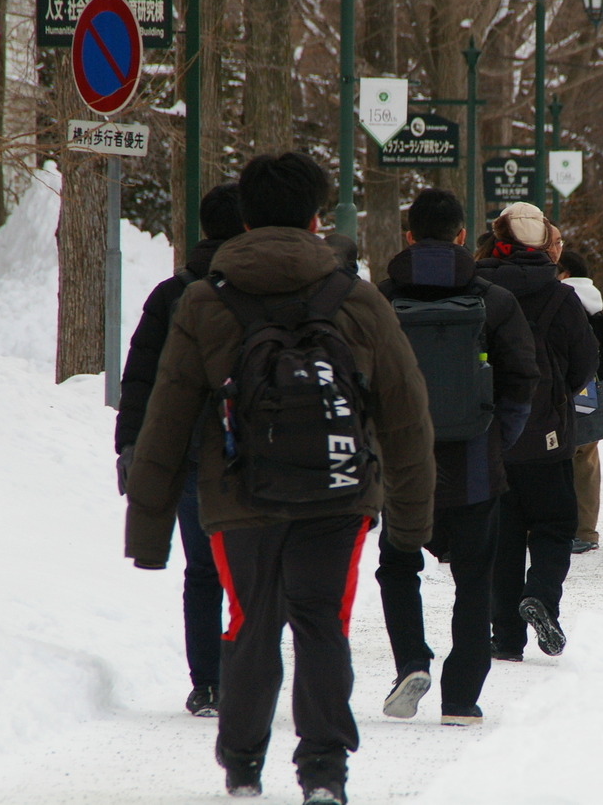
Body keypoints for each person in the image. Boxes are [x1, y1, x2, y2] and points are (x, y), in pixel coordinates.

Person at [124, 152, 437, 804]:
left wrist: (150, 529)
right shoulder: (358, 298)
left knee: (250, 620)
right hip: (342, 493)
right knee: (323, 621)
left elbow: (169, 415)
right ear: (316, 217)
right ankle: (324, 771)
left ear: (245, 218)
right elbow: (407, 417)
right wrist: (410, 523)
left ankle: (242, 764)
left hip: (239, 495)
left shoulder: (206, 299)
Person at [373, 188, 538, 726]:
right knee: (475, 579)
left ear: (409, 234)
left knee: (398, 566)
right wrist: (496, 438)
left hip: (404, 466)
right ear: (463, 236)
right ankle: (461, 698)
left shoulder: (379, 300)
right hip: (474, 464)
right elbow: (520, 380)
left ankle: (411, 664)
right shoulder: (494, 300)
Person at [115, 181, 244, 719]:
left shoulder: (172, 294)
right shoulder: (264, 290)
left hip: (191, 454)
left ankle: (208, 683)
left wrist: (128, 444)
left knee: (202, 571)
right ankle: (247, 672)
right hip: (253, 453)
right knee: (254, 570)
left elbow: (140, 377)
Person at [476, 202, 598, 661]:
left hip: (493, 435)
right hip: (547, 432)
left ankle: (506, 638)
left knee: (503, 538)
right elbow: (586, 361)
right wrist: (557, 397)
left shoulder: (480, 290)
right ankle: (541, 596)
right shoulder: (561, 297)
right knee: (554, 524)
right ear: (545, 244)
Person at [558, 249, 603, 554]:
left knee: (561, 459)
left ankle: (563, 528)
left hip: (567, 384)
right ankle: (586, 531)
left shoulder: (564, 298)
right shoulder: (594, 299)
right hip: (590, 386)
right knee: (588, 461)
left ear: (564, 273)